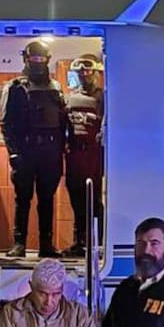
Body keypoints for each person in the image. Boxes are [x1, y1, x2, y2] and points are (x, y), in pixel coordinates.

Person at [0, 39, 67, 259]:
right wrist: (13, 152)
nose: (37, 62)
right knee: (23, 199)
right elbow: (5, 123)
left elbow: (63, 120)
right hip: (25, 151)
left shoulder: (56, 87)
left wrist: (61, 150)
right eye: (33, 58)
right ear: (26, 59)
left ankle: (46, 245)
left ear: (47, 60)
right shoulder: (14, 87)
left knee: (47, 199)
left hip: (50, 151)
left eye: (41, 58)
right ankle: (19, 243)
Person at [62, 54, 103, 257]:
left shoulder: (103, 97)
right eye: (80, 72)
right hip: (74, 155)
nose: (84, 75)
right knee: (76, 201)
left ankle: (97, 243)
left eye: (87, 71)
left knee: (93, 201)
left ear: (95, 72)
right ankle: (79, 243)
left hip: (94, 156)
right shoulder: (69, 98)